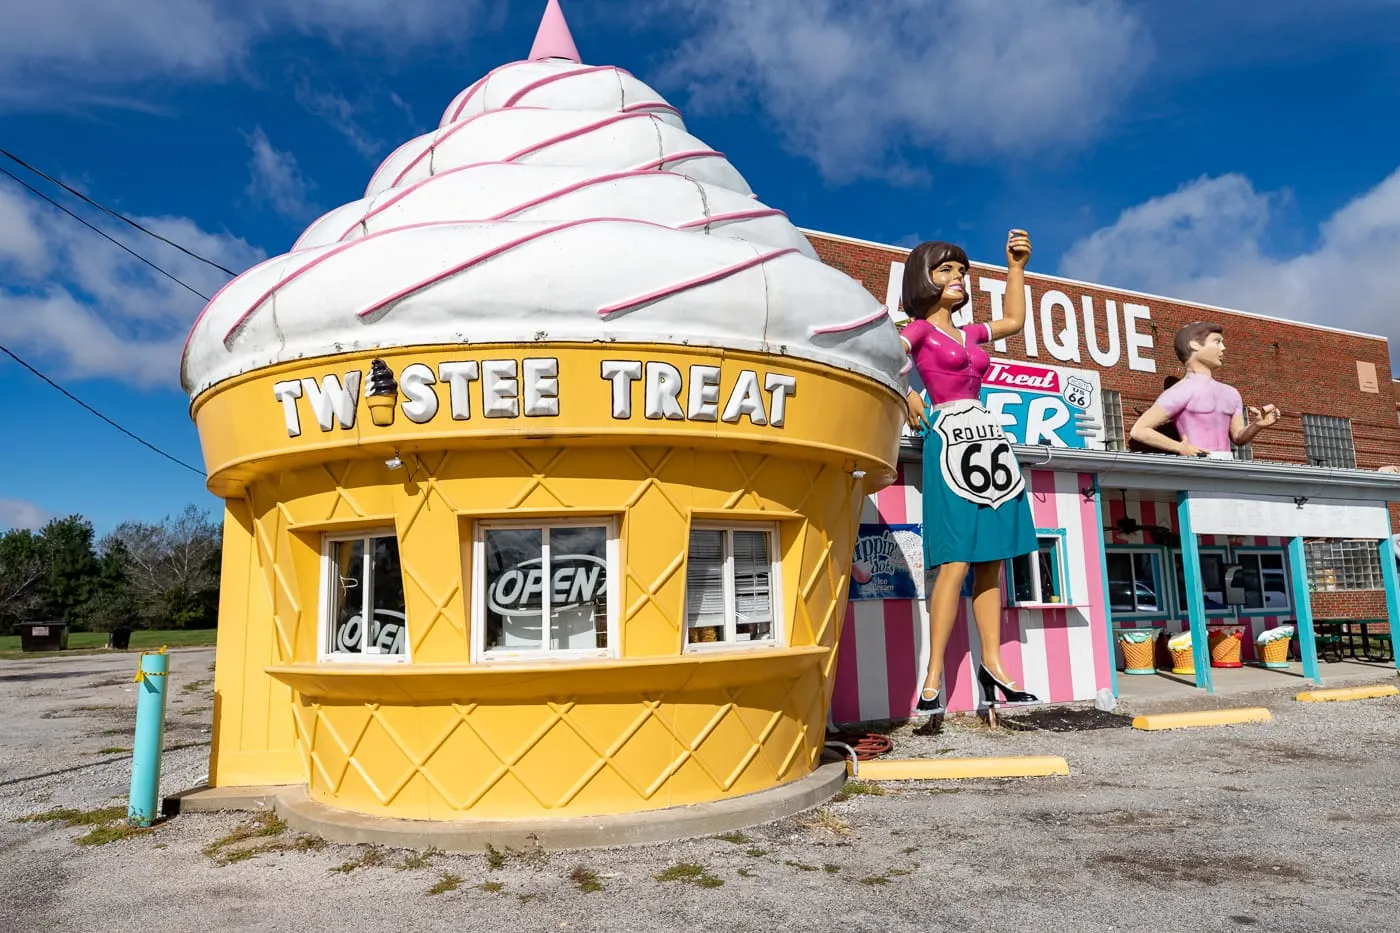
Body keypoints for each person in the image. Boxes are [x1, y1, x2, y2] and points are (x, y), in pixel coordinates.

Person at [901, 230, 1039, 723]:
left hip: (988, 438)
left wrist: (1016, 267)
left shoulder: (972, 333)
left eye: (962, 271)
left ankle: (995, 664)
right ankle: (933, 676)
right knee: (956, 558)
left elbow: (1016, 321)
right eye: (946, 270)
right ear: (924, 278)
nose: (958, 277)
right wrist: (906, 394)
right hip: (948, 438)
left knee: (993, 559)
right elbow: (883, 355)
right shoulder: (917, 331)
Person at [1129, 322, 1280, 458]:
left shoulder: (1231, 393)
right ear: (1195, 344)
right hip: (1198, 466)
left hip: (1229, 465)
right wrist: (1179, 447)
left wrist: (1257, 425)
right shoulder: (1182, 391)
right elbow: (1139, 430)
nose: (1223, 348)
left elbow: (1239, 438)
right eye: (1217, 342)